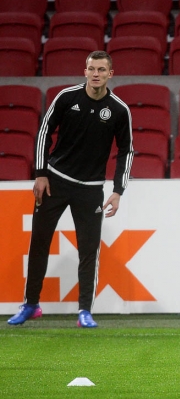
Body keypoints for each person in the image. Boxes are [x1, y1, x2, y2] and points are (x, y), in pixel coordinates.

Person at [7, 50, 133, 328]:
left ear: (110, 74)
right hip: (55, 181)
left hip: (90, 189)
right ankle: (31, 304)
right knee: (39, 242)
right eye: (91, 69)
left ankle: (84, 310)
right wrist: (40, 173)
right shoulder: (66, 97)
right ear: (85, 71)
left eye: (101, 69)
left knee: (89, 250)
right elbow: (43, 132)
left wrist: (118, 190)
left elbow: (127, 150)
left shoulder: (119, 109)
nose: (96, 74)